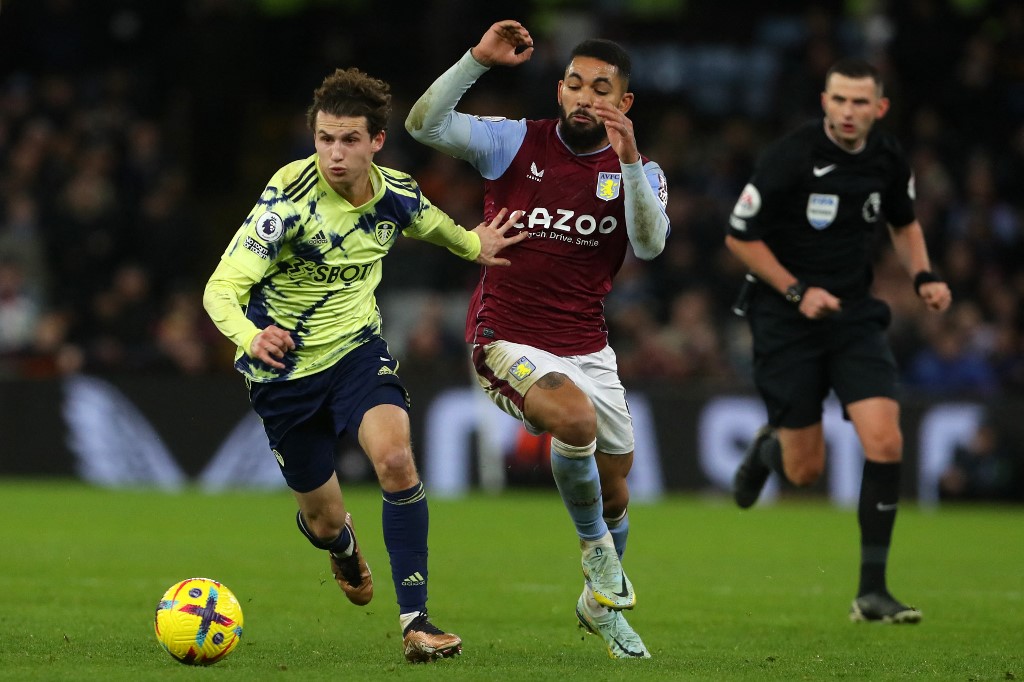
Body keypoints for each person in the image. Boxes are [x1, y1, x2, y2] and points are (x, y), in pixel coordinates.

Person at [202, 66, 526, 663]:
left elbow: (431, 223)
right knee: (324, 520)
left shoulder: (394, 193)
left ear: (376, 141)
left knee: (396, 459)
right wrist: (250, 336)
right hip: (283, 372)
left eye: (349, 139)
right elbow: (221, 288)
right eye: (325, 138)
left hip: (356, 352)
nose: (334, 153)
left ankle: (416, 622)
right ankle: (342, 546)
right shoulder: (288, 200)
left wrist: (473, 243)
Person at [405, 20, 669, 659]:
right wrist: (477, 59)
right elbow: (422, 125)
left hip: (587, 345)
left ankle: (597, 607)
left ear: (625, 102)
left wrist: (629, 160)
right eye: (575, 84)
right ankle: (598, 556)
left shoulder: (642, 171)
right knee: (573, 421)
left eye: (601, 89)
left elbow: (648, 244)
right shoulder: (514, 142)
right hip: (505, 335)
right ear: (558, 90)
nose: (585, 97)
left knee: (617, 489)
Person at [725, 58, 952, 624]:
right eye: (839, 100)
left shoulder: (888, 157)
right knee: (804, 471)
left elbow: (903, 222)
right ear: (825, 102)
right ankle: (769, 449)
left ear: (880, 108)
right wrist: (797, 291)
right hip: (785, 319)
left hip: (853, 316)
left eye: (860, 102)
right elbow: (740, 236)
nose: (848, 112)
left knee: (886, 439)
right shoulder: (789, 155)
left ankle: (872, 592)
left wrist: (924, 275)